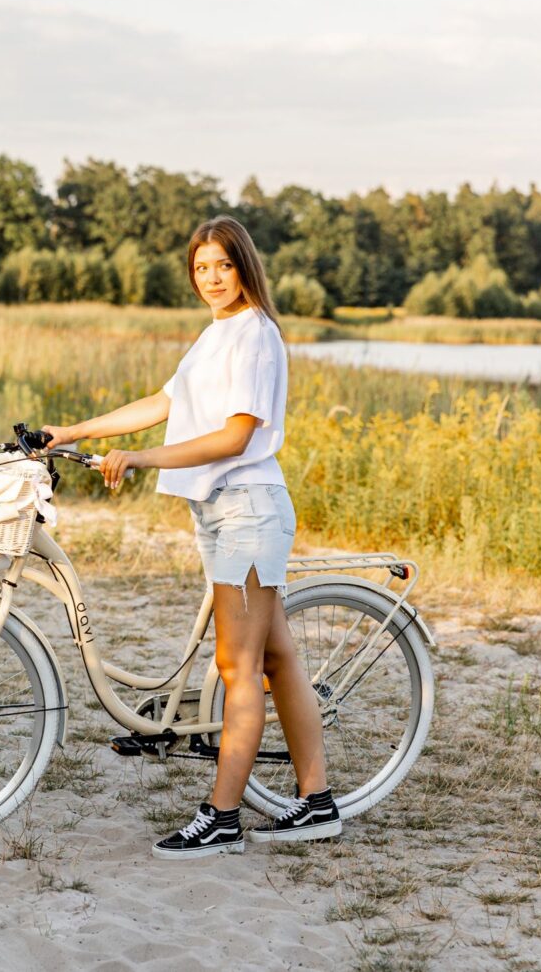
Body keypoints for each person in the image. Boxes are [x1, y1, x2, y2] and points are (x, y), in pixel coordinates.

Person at [41, 215, 340, 859]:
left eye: (223, 266)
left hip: (248, 510)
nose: (212, 278)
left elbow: (235, 437)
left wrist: (141, 459)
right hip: (222, 510)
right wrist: (74, 432)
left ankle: (222, 817)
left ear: (244, 267)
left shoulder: (255, 334)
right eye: (201, 268)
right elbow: (163, 403)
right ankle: (317, 802)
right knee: (276, 658)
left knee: (238, 668)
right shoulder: (215, 335)